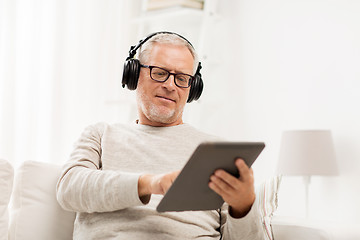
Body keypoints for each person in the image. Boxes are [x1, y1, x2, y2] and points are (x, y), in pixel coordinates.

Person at [56, 31, 266, 240]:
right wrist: (149, 184)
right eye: (159, 73)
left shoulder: (216, 151)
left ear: (193, 88)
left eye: (182, 78)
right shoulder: (101, 134)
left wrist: (244, 207)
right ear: (134, 74)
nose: (170, 85)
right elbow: (69, 189)